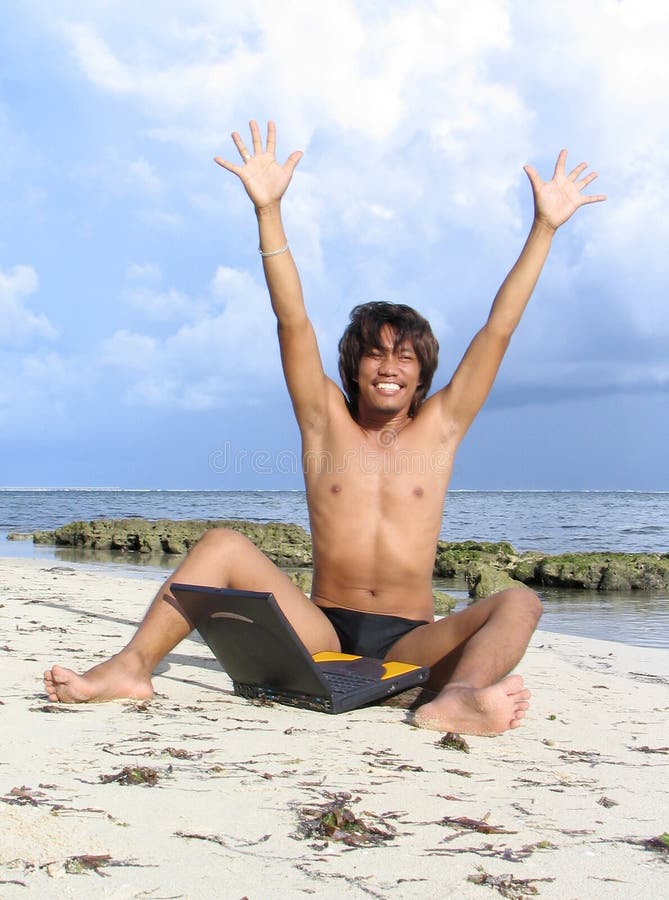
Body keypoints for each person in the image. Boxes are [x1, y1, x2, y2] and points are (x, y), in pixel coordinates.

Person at [44, 121, 605, 734]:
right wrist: (269, 211)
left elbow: (498, 328)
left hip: (410, 641)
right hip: (321, 627)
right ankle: (132, 666)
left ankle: (462, 696)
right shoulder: (323, 419)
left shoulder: (442, 426)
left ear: (422, 376)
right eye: (375, 354)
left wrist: (544, 228)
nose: (388, 368)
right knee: (221, 545)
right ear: (353, 366)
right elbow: (293, 319)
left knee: (521, 600)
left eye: (405, 358)